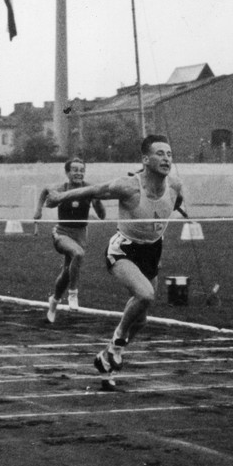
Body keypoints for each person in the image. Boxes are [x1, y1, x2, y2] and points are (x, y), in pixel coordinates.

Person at [45, 134, 184, 391]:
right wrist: (59, 198)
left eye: (169, 154)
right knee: (145, 294)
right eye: (160, 153)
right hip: (124, 250)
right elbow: (94, 190)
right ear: (145, 159)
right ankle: (118, 342)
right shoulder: (129, 186)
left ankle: (106, 357)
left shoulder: (175, 186)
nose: (166, 158)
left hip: (152, 252)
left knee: (140, 321)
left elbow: (174, 204)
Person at [34, 158, 106, 323]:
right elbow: (45, 190)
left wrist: (97, 202)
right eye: (75, 170)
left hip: (80, 235)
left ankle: (54, 302)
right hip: (62, 233)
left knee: (67, 273)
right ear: (67, 173)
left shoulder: (89, 189)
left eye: (81, 170)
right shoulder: (61, 188)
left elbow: (102, 216)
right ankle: (73, 293)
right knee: (78, 254)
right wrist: (38, 210)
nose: (78, 173)